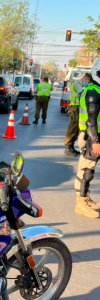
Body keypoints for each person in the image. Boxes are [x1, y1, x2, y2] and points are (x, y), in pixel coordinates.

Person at [74, 59, 100, 218]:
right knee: (86, 170)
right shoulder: (93, 93)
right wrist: (96, 141)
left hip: (94, 136)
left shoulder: (97, 90)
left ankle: (86, 198)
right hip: (90, 137)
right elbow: (91, 121)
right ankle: (81, 203)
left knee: (89, 169)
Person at [64, 73, 91, 156]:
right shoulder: (77, 84)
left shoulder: (80, 85)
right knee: (73, 127)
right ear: (85, 78)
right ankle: (68, 147)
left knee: (76, 129)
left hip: (77, 108)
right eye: (88, 81)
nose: (88, 83)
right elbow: (82, 93)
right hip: (74, 108)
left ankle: (71, 146)